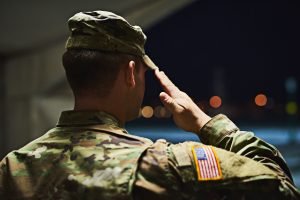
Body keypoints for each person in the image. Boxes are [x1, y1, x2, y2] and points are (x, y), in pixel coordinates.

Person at [0, 10, 299, 200]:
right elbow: (280, 186)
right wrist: (208, 125)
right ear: (131, 73)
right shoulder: (163, 165)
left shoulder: (12, 167)